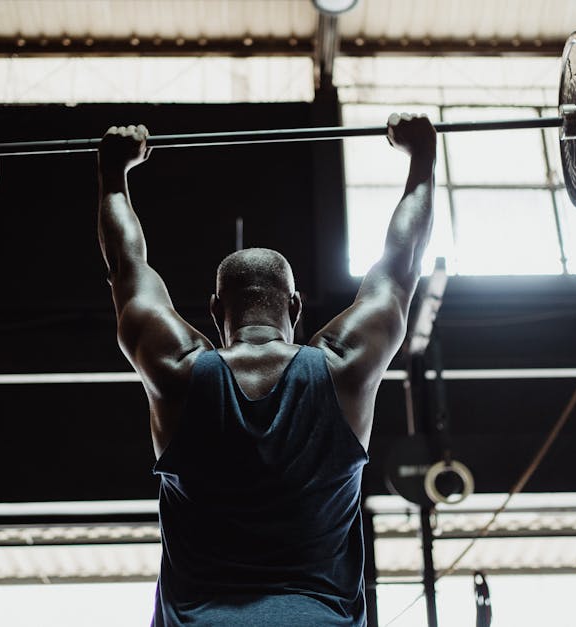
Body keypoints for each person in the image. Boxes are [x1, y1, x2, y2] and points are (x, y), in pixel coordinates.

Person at [97, 113, 436, 627]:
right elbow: (401, 265)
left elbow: (125, 265)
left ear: (214, 311)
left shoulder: (176, 369)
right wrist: (422, 159)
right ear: (295, 308)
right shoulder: (344, 367)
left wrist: (113, 173)